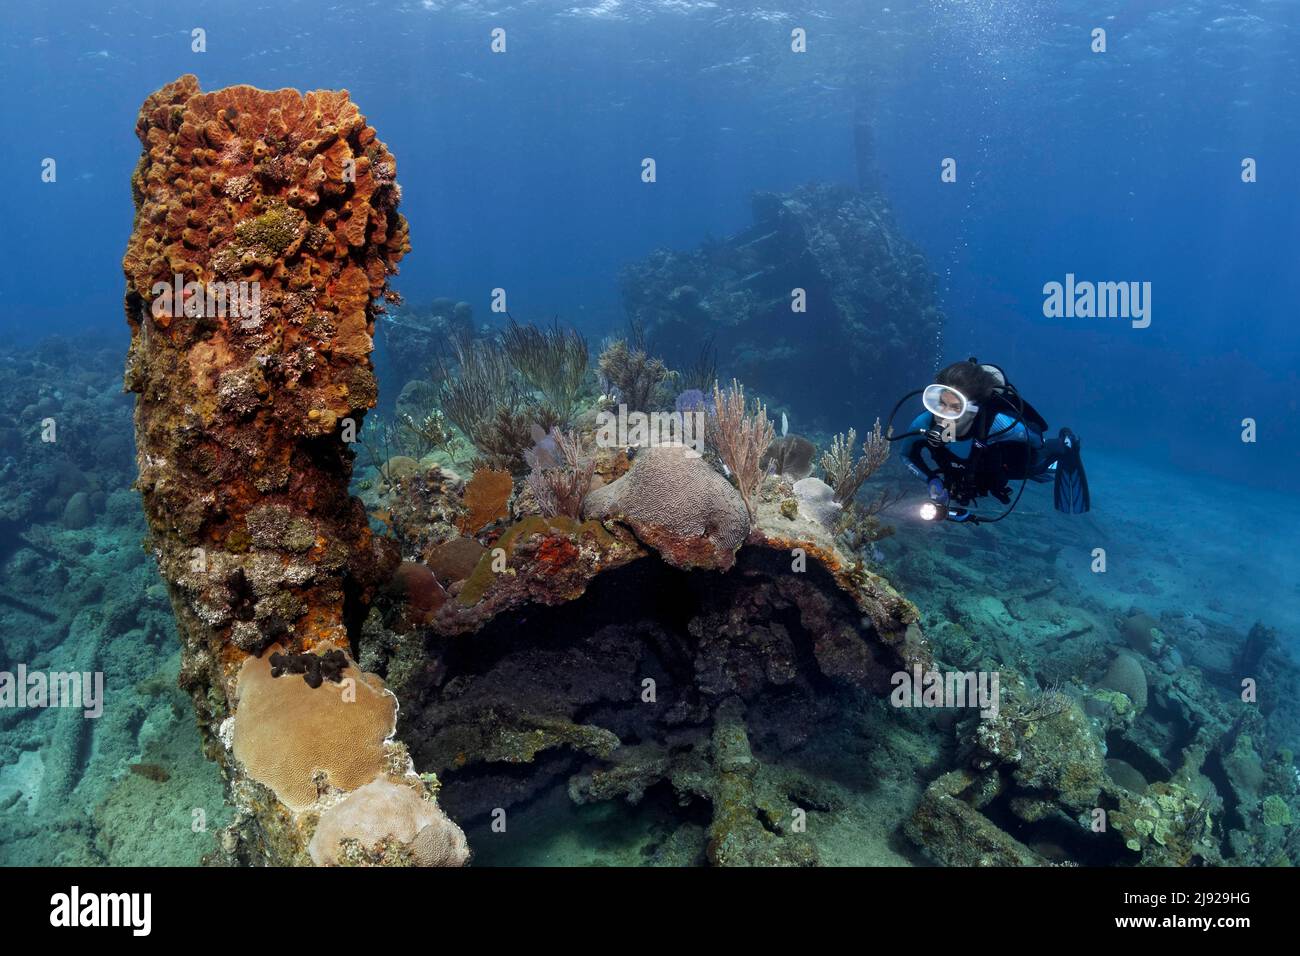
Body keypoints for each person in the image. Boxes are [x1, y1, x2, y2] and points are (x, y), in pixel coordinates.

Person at [898, 359, 1090, 518]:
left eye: (956, 408)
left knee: (1037, 468)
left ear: (975, 409)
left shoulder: (1001, 424)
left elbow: (1037, 441)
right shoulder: (922, 423)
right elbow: (907, 456)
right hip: (969, 471)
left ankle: (1067, 443)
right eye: (940, 403)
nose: (943, 415)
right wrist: (931, 480)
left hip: (1004, 463)